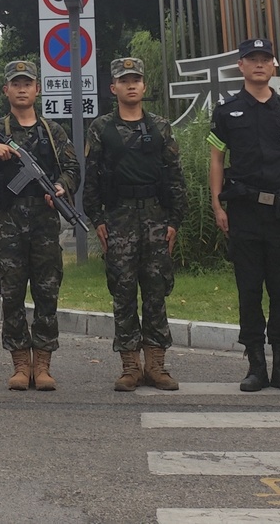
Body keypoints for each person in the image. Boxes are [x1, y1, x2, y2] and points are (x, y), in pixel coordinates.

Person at [208, 37, 280, 394]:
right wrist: (217, 204)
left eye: (265, 59)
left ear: (274, 66)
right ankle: (256, 366)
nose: (259, 64)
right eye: (252, 59)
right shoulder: (227, 110)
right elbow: (217, 158)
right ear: (240, 66)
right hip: (243, 213)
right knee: (249, 291)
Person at [83, 56, 187, 393]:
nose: (131, 85)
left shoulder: (160, 127)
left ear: (144, 86)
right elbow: (92, 178)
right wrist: (97, 219)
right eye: (124, 80)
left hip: (155, 217)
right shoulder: (101, 128)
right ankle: (130, 366)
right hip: (119, 218)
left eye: (136, 80)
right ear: (113, 87)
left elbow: (175, 176)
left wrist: (174, 221)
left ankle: (156, 366)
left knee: (156, 292)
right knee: (123, 292)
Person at [0, 58, 77, 391]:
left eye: (27, 83)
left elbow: (72, 168)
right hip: (8, 221)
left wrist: (61, 186)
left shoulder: (52, 131)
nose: (22, 89)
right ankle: (20, 364)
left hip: (44, 222)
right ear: (6, 90)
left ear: (37, 89)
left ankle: (43, 364)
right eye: (16, 84)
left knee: (47, 290)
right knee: (12, 292)